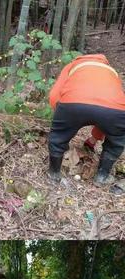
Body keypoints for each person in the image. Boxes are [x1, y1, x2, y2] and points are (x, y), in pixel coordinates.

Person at [48, 54, 125, 185]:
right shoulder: (111, 71)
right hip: (115, 110)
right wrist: (94, 139)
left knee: (58, 138)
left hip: (73, 103)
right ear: (105, 62)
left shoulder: (74, 65)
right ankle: (102, 177)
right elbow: (106, 111)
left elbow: (54, 95)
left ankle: (54, 174)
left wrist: (61, 119)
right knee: (116, 142)